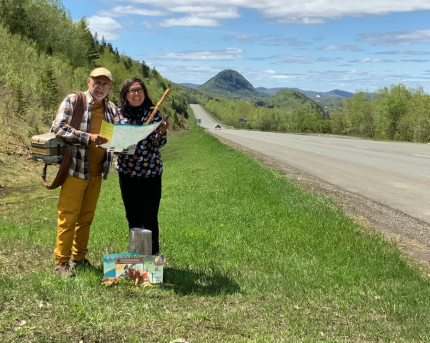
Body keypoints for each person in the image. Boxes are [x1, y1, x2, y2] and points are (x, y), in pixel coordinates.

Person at [52, 67, 119, 276]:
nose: (100, 87)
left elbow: (115, 136)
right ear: (89, 82)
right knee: (68, 215)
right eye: (97, 82)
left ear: (110, 87)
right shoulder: (74, 100)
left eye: (105, 84)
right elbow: (58, 127)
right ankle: (61, 262)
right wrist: (87, 137)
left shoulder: (112, 109)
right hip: (75, 168)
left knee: (86, 217)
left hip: (97, 172)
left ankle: (79, 258)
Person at [116, 77, 169, 255]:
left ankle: (152, 260)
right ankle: (136, 257)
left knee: (149, 218)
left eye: (139, 90)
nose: (136, 93)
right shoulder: (118, 114)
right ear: (125, 94)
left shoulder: (153, 113)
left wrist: (161, 132)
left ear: (144, 93)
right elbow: (113, 142)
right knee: (132, 216)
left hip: (150, 173)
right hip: (126, 173)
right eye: (132, 90)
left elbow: (157, 143)